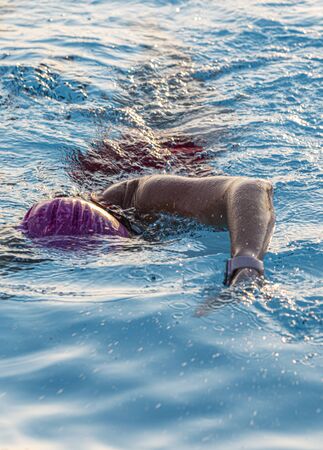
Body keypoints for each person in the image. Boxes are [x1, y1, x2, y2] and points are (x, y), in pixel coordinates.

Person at [20, 174, 275, 287]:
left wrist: (246, 261)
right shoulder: (23, 240)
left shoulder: (142, 198)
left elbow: (251, 187)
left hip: (177, 148)